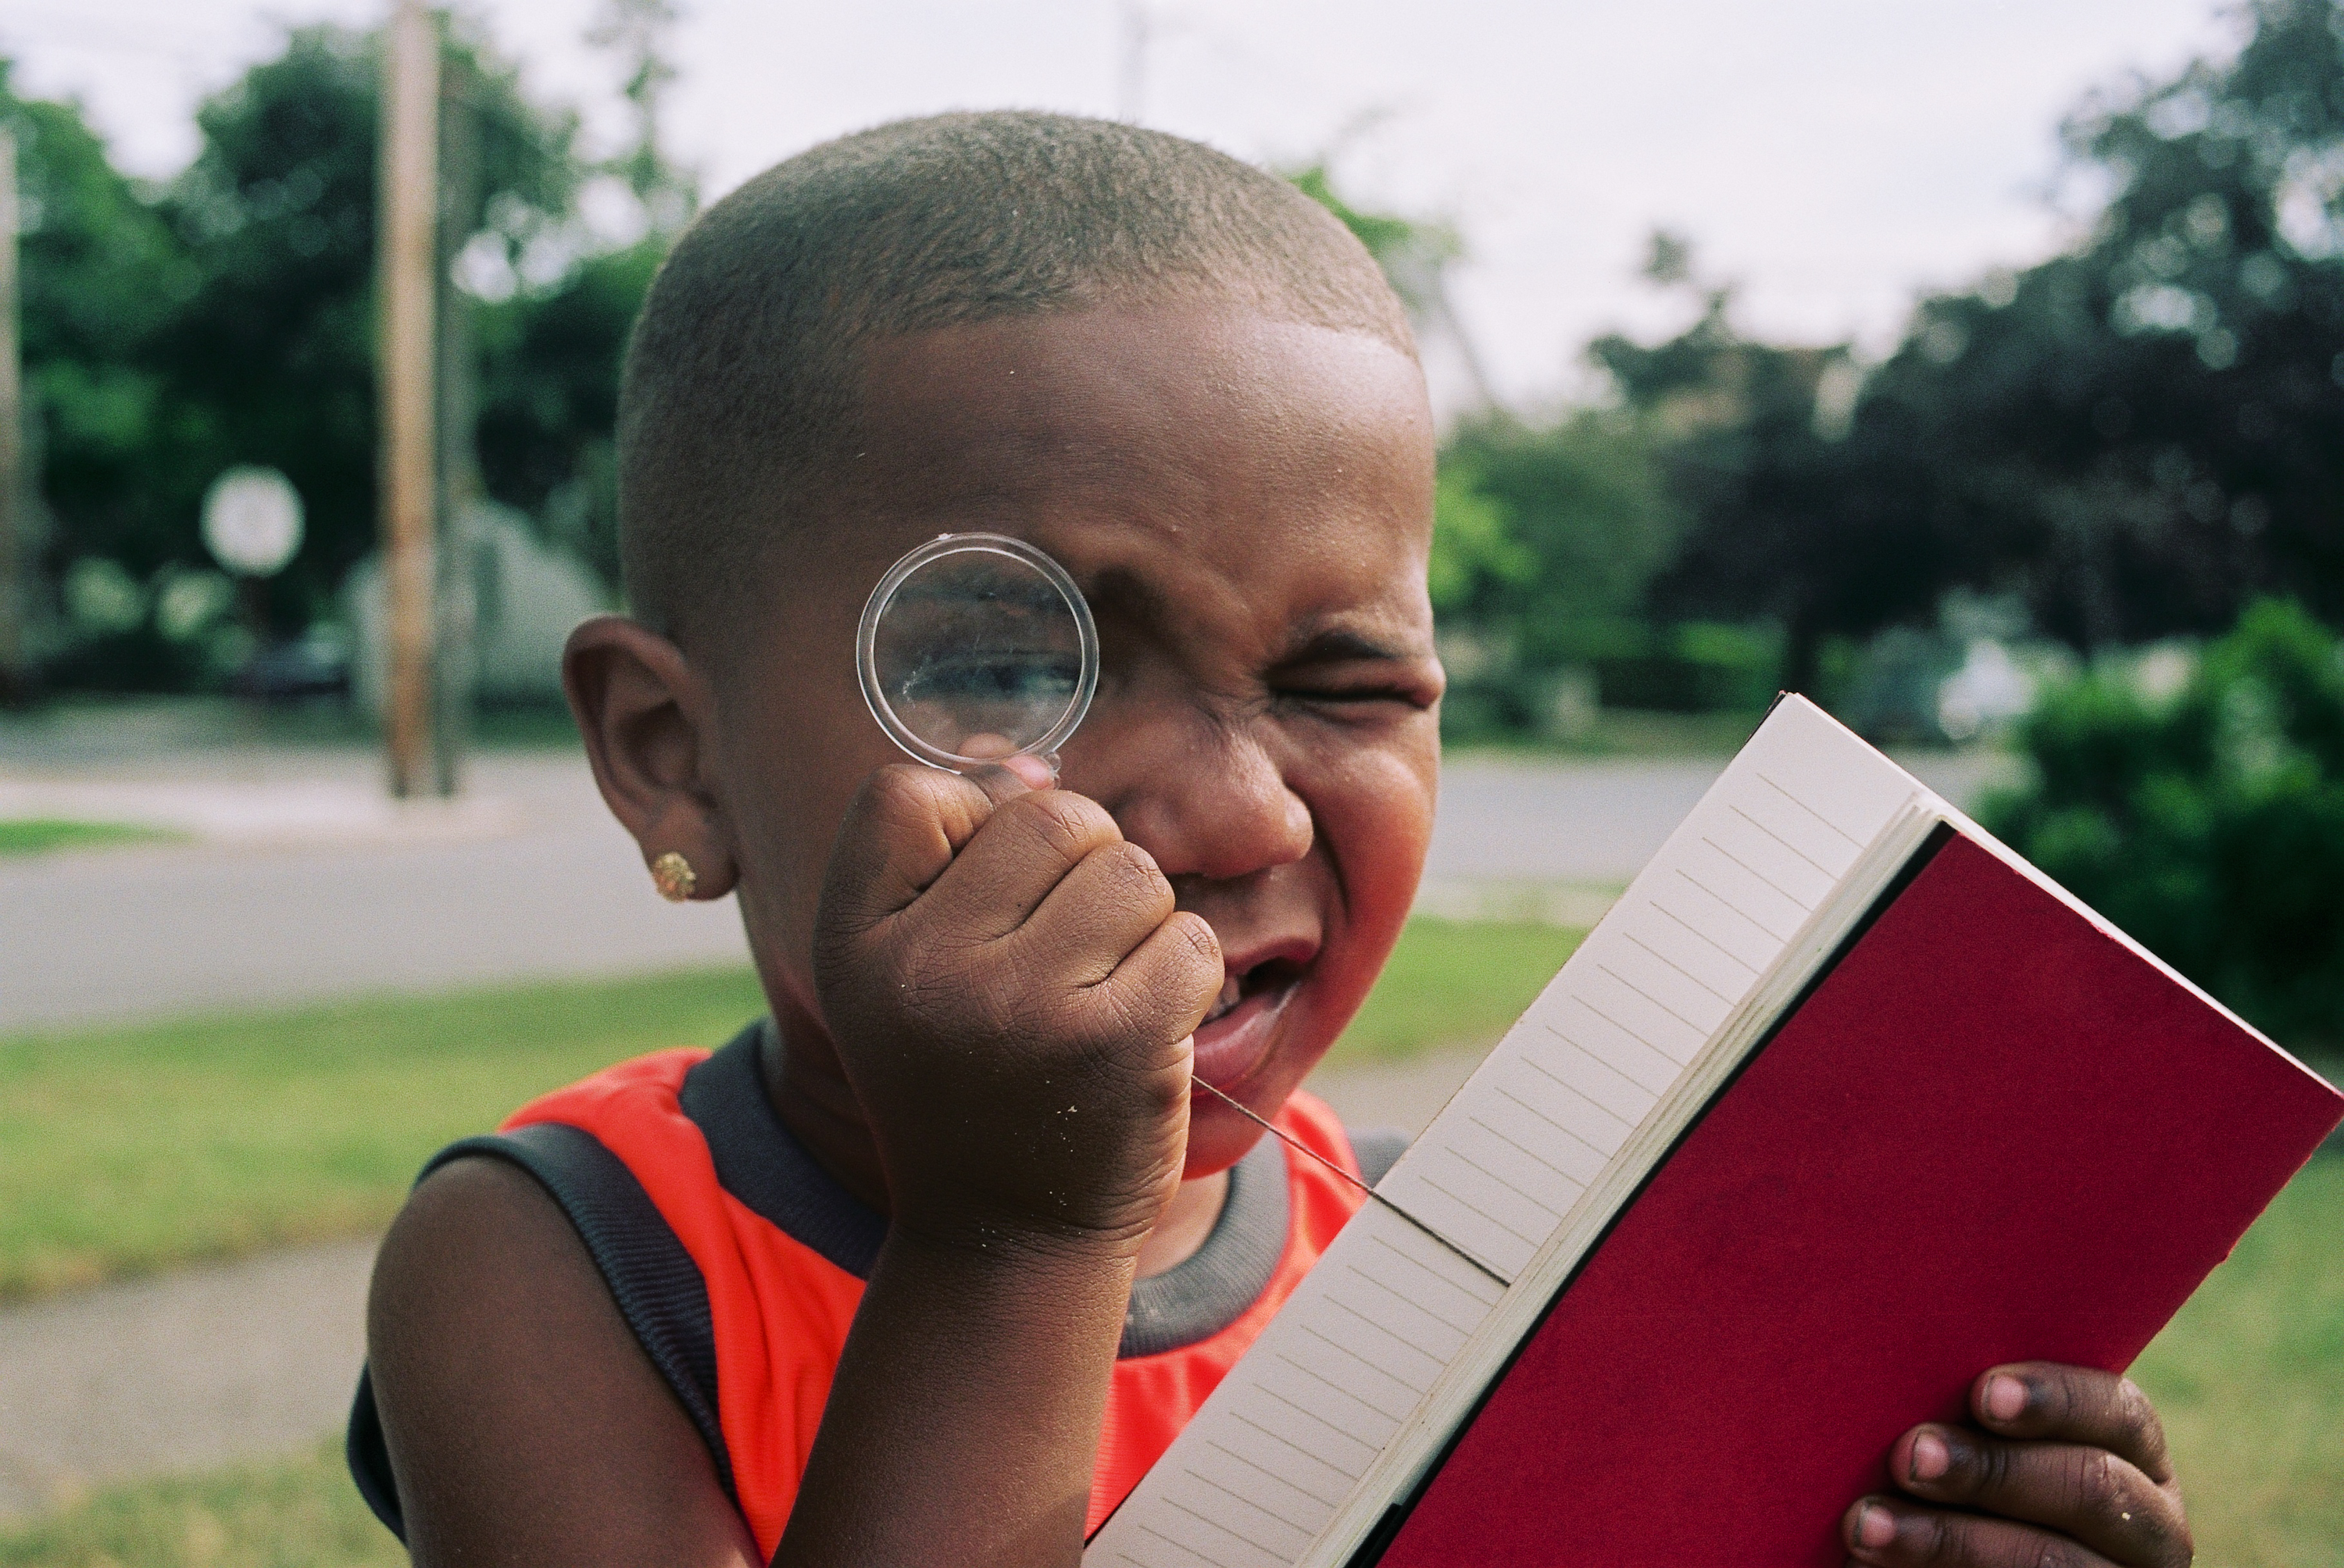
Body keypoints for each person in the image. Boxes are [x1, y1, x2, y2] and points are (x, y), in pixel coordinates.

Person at [351, 112, 2196, 1568]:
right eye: (1010, 661)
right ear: (674, 756)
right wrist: (1013, 1235)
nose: (1240, 808)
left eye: (1346, 679)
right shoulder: (566, 1263)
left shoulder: (1433, 1271)